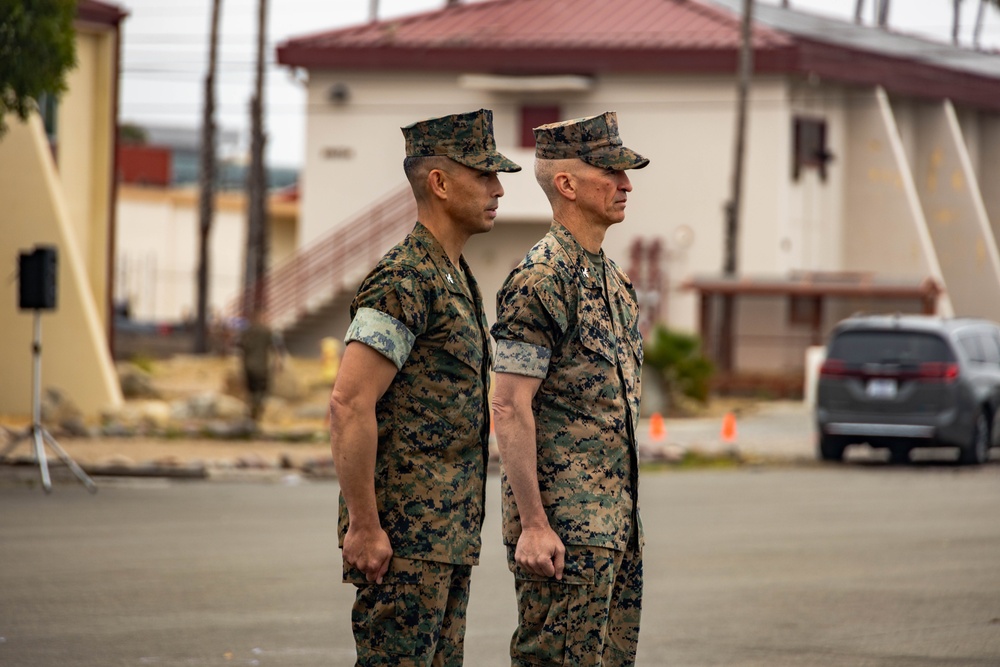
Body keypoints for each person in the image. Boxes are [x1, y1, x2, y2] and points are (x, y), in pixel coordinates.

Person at [328, 108, 520, 666]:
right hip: (403, 541)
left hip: (445, 539)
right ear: (439, 182)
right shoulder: (404, 279)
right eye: (483, 175)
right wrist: (365, 526)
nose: (497, 189)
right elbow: (348, 402)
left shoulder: (451, 275)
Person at [490, 111, 650, 667]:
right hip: (562, 537)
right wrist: (533, 525)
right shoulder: (541, 279)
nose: (627, 183)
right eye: (612, 171)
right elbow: (509, 405)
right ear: (567, 184)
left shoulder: (612, 280)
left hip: (615, 530)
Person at [238, 311, 282, 423]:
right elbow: (276, 347)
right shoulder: (267, 331)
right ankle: (256, 416)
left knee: (251, 391)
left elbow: (240, 346)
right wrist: (278, 362)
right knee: (261, 391)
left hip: (247, 366)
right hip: (261, 367)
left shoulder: (247, 331)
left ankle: (249, 414)